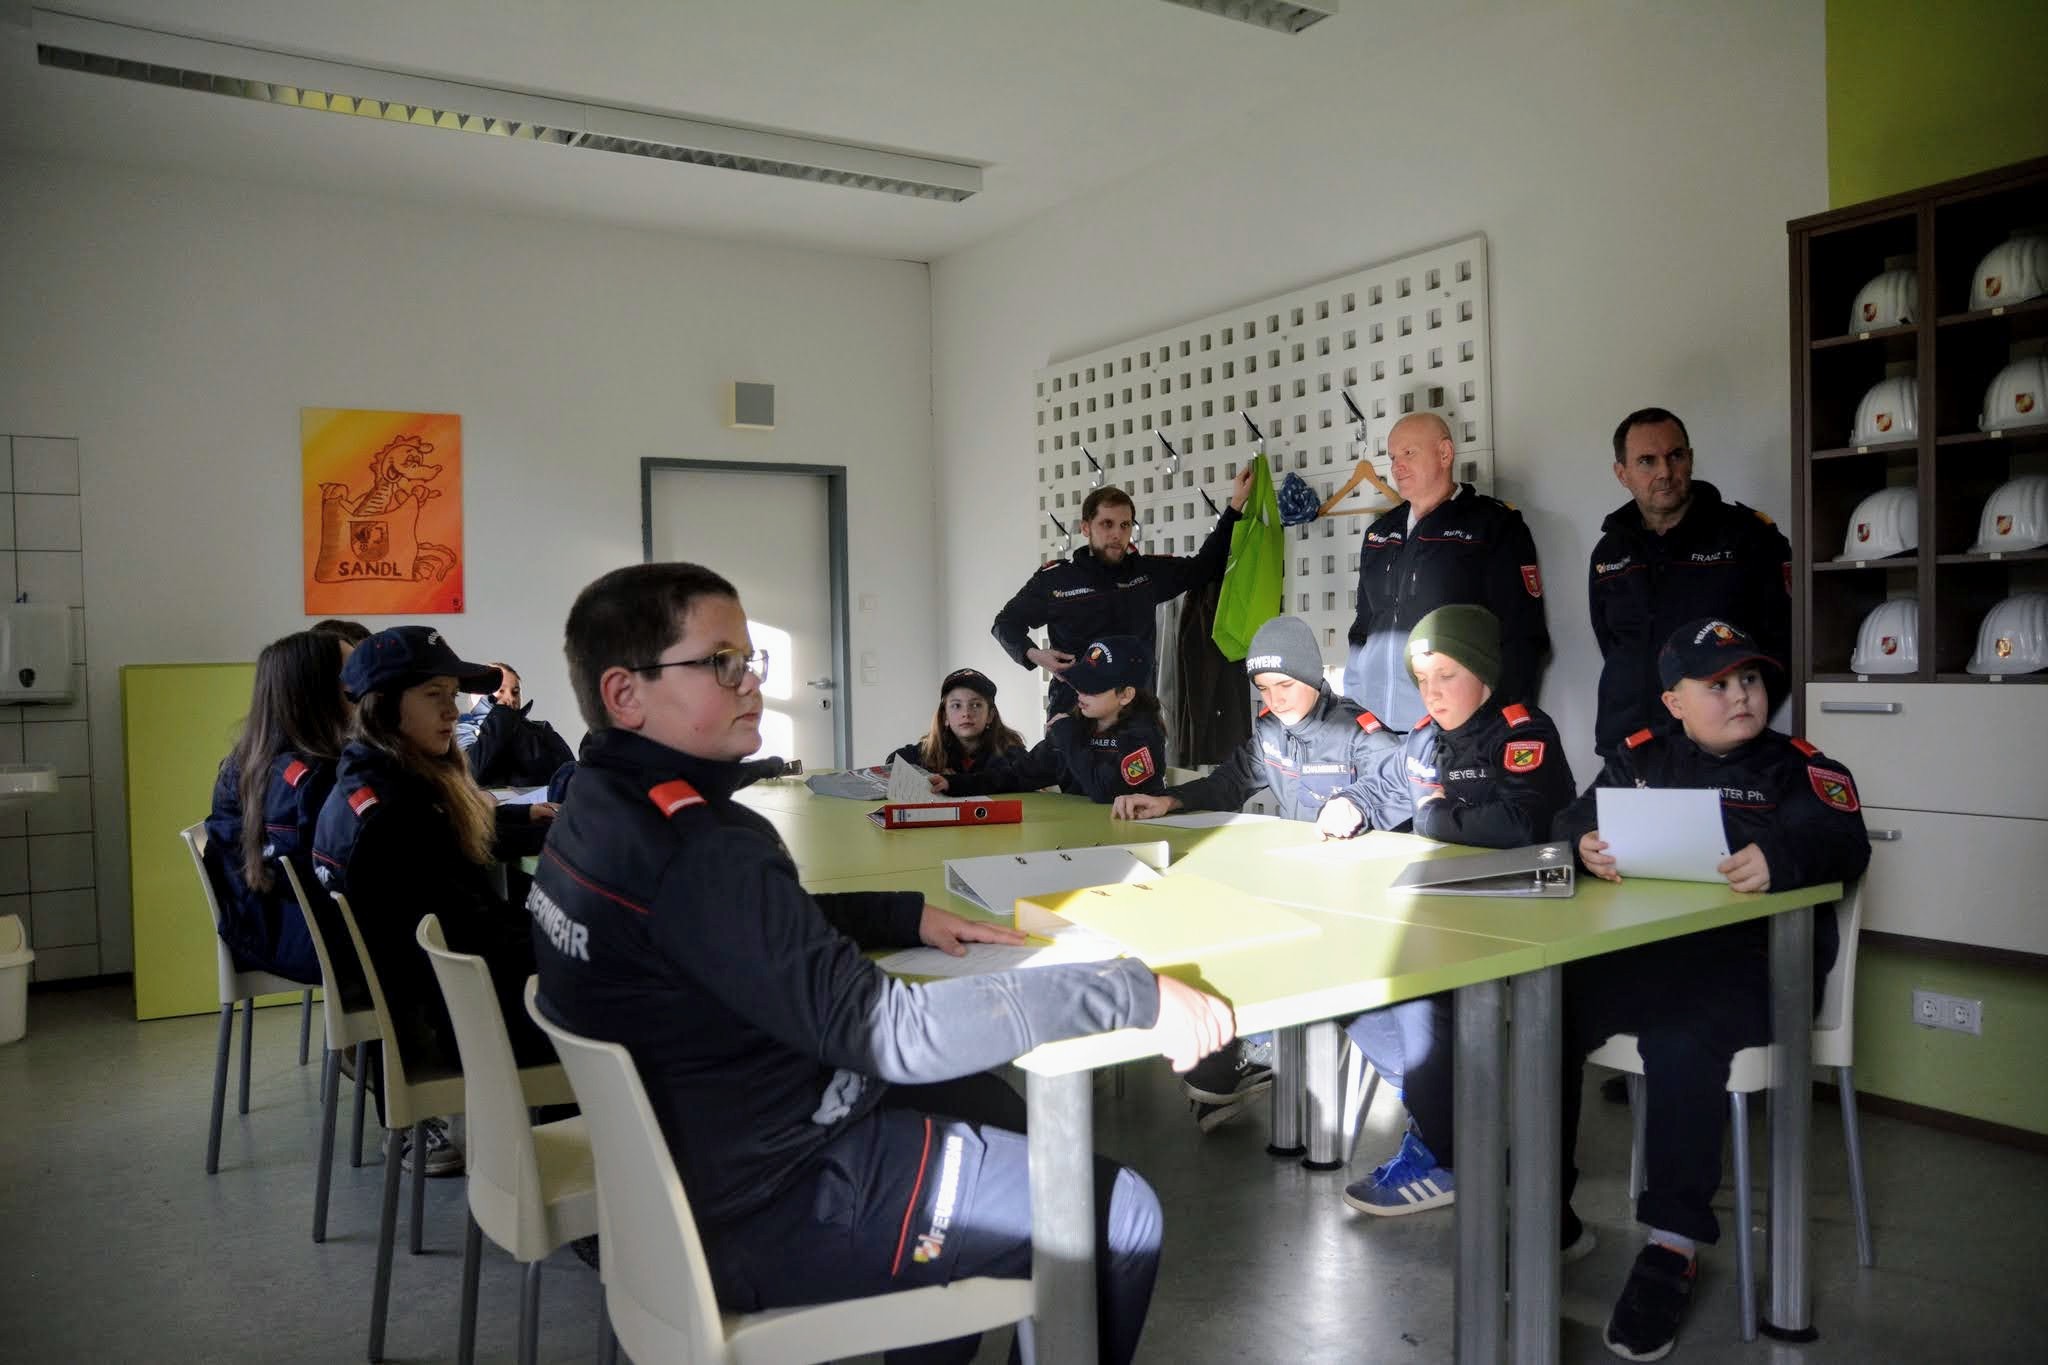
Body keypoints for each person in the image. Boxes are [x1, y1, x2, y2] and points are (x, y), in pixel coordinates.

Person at [528, 562, 1237, 1364]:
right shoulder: (703, 849)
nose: (751, 680)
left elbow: (732, 929)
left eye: (749, 658)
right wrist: (1130, 991)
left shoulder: (599, 809)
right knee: (1118, 1216)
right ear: (625, 693)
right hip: (773, 1198)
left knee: (991, 1106)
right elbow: (895, 1031)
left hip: (685, 1169)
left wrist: (900, 914)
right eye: (721, 662)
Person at [1551, 618, 1869, 1361]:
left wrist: (1779, 855)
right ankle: (1546, 1207)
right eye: (1717, 684)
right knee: (1546, 1006)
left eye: (1749, 679)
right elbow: (1570, 817)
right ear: (1674, 702)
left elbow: (1843, 840)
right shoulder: (1641, 758)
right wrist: (1582, 845)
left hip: (1758, 970)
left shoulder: (1800, 767)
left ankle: (1671, 1245)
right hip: (1652, 958)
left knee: (1681, 1038)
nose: (1741, 695)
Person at [1324, 605, 1579, 1223]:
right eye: (1422, 680)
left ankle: (1449, 1153)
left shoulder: (1522, 732)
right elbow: (1386, 787)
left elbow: (1520, 824)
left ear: (1484, 673)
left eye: (1447, 676)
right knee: (1341, 975)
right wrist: (1351, 802)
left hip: (1526, 918)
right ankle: (1448, 1113)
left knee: (1418, 989)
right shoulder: (1423, 737)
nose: (1432, 693)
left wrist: (1436, 816)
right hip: (1448, 910)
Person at [1113, 614, 1400, 1129]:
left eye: (1285, 685)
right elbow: (1231, 781)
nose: (1275, 699)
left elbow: (1402, 786)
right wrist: (1170, 800)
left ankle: (1258, 1047)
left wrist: (1357, 804)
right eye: (1264, 688)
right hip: (1297, 889)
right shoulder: (1270, 730)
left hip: (1358, 905)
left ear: (1312, 675)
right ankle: (1241, 1048)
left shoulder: (1359, 732)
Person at [312, 627, 560, 1176]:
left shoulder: (371, 784)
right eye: (433, 695)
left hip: (424, 1005)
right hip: (448, 1024)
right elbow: (480, 940)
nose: (451, 710)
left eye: (453, 694)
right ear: (383, 707)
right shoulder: (398, 816)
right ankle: (566, 1179)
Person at [1588, 408, 1791, 758]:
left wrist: (1736, 724)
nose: (1665, 472)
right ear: (1622, 473)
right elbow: (1612, 643)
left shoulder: (1748, 537)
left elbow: (1783, 643)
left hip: (1720, 750)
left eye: (1676, 456)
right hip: (1628, 746)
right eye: (1647, 461)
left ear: (1691, 459)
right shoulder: (1609, 551)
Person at [993, 465, 1254, 718]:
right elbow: (1005, 623)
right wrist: (1035, 655)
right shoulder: (1056, 580)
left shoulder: (1146, 573)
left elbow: (1204, 567)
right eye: (1107, 524)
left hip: (1135, 718)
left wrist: (1235, 505)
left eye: (1125, 525)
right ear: (1086, 528)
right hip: (1073, 718)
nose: (1117, 534)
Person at [1343, 413, 1549, 731]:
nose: (1397, 466)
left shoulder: (1493, 526)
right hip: (1377, 730)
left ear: (1444, 453)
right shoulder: (1379, 533)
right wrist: (1354, 710)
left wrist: (1498, 729)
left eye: (1409, 453)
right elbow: (1362, 630)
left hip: (1453, 729)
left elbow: (1521, 636)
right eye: (1393, 457)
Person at [202, 630, 354, 986]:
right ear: (317, 691)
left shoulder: (250, 758)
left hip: (263, 926)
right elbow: (338, 875)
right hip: (297, 936)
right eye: (351, 676)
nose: (364, 687)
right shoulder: (307, 779)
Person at [944, 637, 1168, 803]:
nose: (1080, 691)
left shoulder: (1144, 735)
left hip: (1134, 840)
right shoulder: (1074, 725)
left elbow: (1105, 794)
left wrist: (1069, 737)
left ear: (1126, 695)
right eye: (1080, 681)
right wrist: (953, 784)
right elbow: (1019, 775)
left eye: (1093, 687)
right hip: (1079, 837)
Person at [886, 667, 1030, 779]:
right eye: (956, 705)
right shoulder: (928, 750)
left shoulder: (1011, 754)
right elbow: (892, 763)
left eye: (976, 705)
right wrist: (929, 777)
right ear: (945, 716)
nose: (966, 713)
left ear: (990, 716)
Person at [456, 660, 577, 788]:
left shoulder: (542, 731)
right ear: (476, 695)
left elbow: (571, 778)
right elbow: (472, 775)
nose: (511, 698)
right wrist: (501, 716)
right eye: (500, 691)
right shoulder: (459, 732)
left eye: (515, 692)